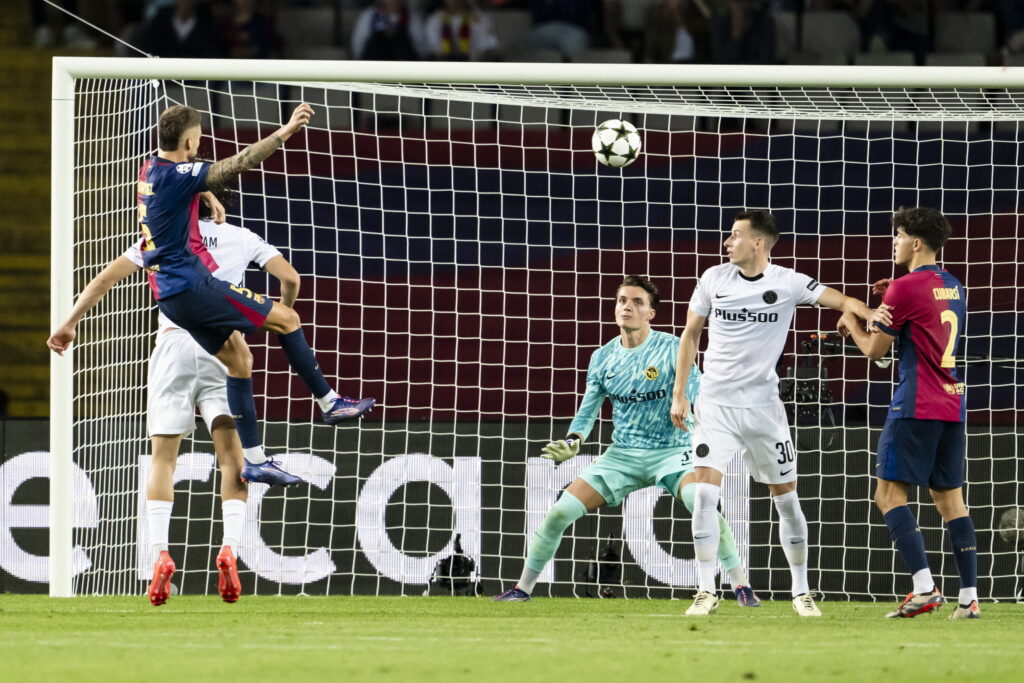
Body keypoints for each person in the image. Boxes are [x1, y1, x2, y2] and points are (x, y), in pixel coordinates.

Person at [48, 102, 375, 491]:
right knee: (288, 320)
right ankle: (329, 402)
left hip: (169, 299)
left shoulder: (149, 170)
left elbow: (176, 197)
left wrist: (69, 323)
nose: (200, 147)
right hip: (195, 285)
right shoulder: (183, 176)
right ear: (189, 140)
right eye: (199, 141)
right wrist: (286, 132)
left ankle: (255, 462)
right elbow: (236, 164)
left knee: (240, 360)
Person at [48, 191, 300, 606]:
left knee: (164, 458)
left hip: (172, 346)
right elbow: (290, 279)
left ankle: (160, 556)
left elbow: (103, 281)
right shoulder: (242, 236)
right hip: (224, 344)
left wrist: (68, 325)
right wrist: (277, 319)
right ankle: (230, 549)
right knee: (232, 459)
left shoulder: (159, 240)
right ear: (215, 208)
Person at [494, 276, 760, 608]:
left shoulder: (673, 347)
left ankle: (740, 585)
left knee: (701, 505)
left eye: (636, 302)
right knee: (558, 514)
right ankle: (522, 589)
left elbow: (696, 388)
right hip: (622, 455)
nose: (627, 307)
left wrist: (687, 403)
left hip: (673, 451)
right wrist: (574, 440)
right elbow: (588, 409)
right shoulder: (603, 358)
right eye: (622, 300)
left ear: (651, 313)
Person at [669, 210, 883, 617]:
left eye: (735, 236)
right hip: (715, 404)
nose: (727, 242)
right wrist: (680, 393)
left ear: (758, 243)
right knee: (704, 497)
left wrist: (866, 313)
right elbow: (691, 333)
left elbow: (841, 299)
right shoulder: (714, 278)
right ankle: (705, 589)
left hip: (764, 409)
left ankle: (801, 591)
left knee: (786, 501)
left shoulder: (788, 282)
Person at [837, 207, 978, 620]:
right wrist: (891, 303)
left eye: (897, 236)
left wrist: (851, 319)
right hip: (953, 403)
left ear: (916, 242)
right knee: (952, 501)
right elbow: (922, 326)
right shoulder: (954, 286)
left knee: (887, 494)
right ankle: (968, 599)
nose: (894, 242)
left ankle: (924, 587)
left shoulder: (903, 289)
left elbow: (875, 352)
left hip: (915, 404)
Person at [423, 0, 501, 62]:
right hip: (445, 69)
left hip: (475, 68)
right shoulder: (434, 20)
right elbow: (436, 52)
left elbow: (487, 48)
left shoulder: (480, 18)